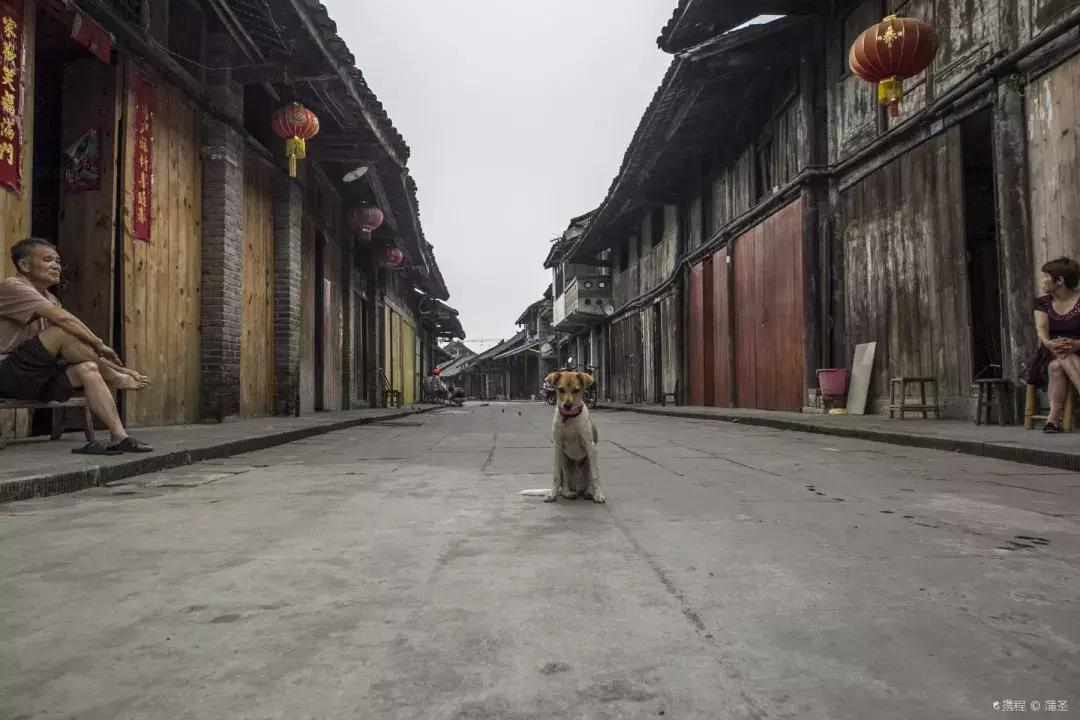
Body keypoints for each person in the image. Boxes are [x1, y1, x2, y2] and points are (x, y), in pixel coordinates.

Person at [0, 238, 153, 453]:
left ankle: (119, 436)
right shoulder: (13, 287)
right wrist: (100, 345)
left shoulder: (51, 298)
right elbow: (63, 322)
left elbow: (72, 347)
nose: (56, 266)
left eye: (58, 261)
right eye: (48, 260)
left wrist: (119, 368)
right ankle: (112, 377)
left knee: (87, 368)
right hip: (7, 373)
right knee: (62, 331)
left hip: (36, 378)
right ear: (24, 265)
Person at [1028, 257, 1080, 433]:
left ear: (1060, 281)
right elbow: (1041, 327)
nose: (1042, 280)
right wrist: (1049, 343)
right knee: (1060, 355)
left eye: (1046, 276)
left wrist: (1075, 343)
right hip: (1050, 351)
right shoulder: (1042, 302)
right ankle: (1053, 418)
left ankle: (1053, 418)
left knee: (1057, 365)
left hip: (1079, 349)